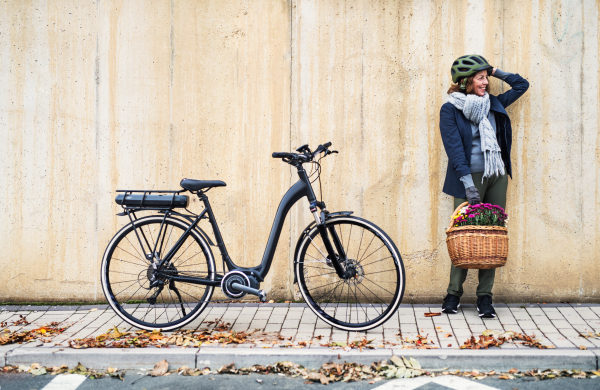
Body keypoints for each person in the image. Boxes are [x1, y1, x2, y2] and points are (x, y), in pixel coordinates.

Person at [439, 54, 529, 318]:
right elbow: (454, 149)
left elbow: (521, 85)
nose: (485, 82)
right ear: (466, 81)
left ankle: (485, 297)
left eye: (486, 77)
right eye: (480, 78)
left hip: (497, 174)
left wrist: (496, 70)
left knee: (493, 232)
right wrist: (468, 184)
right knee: (463, 233)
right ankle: (453, 294)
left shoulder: (494, 103)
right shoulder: (451, 109)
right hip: (470, 177)